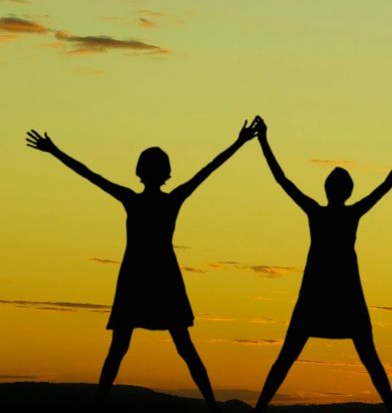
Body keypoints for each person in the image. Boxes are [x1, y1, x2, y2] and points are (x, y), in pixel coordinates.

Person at [25, 120, 259, 413]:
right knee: (174, 347)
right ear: (164, 172)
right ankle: (211, 405)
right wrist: (238, 143)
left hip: (144, 278)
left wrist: (54, 150)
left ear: (142, 171)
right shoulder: (165, 199)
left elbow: (90, 174)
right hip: (155, 278)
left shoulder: (135, 200)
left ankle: (106, 405)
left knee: (130, 348)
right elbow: (207, 171)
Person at [251, 117, 392, 413]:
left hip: (327, 293)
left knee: (290, 356)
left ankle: (259, 409)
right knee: (368, 359)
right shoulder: (347, 213)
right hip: (335, 293)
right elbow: (386, 185)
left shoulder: (319, 211)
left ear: (330, 190)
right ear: (347, 191)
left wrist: (264, 141)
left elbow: (282, 179)